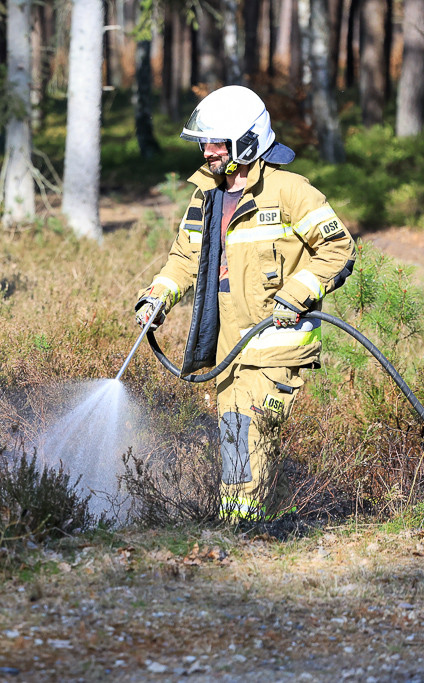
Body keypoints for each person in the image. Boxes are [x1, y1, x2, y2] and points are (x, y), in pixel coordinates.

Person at [135, 85, 356, 522]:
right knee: (237, 440)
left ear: (247, 141)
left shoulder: (290, 191)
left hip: (273, 344)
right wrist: (157, 297)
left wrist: (295, 296)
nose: (207, 151)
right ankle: (249, 527)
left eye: (216, 142)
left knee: (251, 439)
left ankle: (243, 534)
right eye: (204, 142)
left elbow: (338, 248)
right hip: (227, 347)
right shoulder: (206, 196)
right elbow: (185, 258)